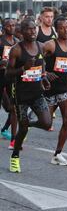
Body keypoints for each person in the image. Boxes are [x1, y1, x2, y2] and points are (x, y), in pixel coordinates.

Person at [6, 18, 52, 173]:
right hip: (21, 95)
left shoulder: (40, 46)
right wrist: (23, 69)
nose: (33, 32)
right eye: (29, 29)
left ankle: (28, 124)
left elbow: (42, 63)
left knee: (47, 123)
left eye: (34, 29)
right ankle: (15, 156)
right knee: (22, 131)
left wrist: (44, 76)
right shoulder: (16, 50)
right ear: (22, 31)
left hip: (37, 93)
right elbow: (8, 73)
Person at [43, 16, 67, 165]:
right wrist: (44, 73)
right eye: (61, 28)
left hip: (65, 89)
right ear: (56, 30)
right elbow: (36, 57)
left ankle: (58, 154)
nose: (65, 30)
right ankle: (26, 124)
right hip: (50, 89)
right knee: (46, 123)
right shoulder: (50, 45)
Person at [0, 18, 19, 149]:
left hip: (11, 79)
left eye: (13, 25)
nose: (12, 27)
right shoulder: (0, 41)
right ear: (4, 27)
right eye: (9, 25)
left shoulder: (17, 43)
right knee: (8, 108)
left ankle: (13, 140)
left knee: (12, 108)